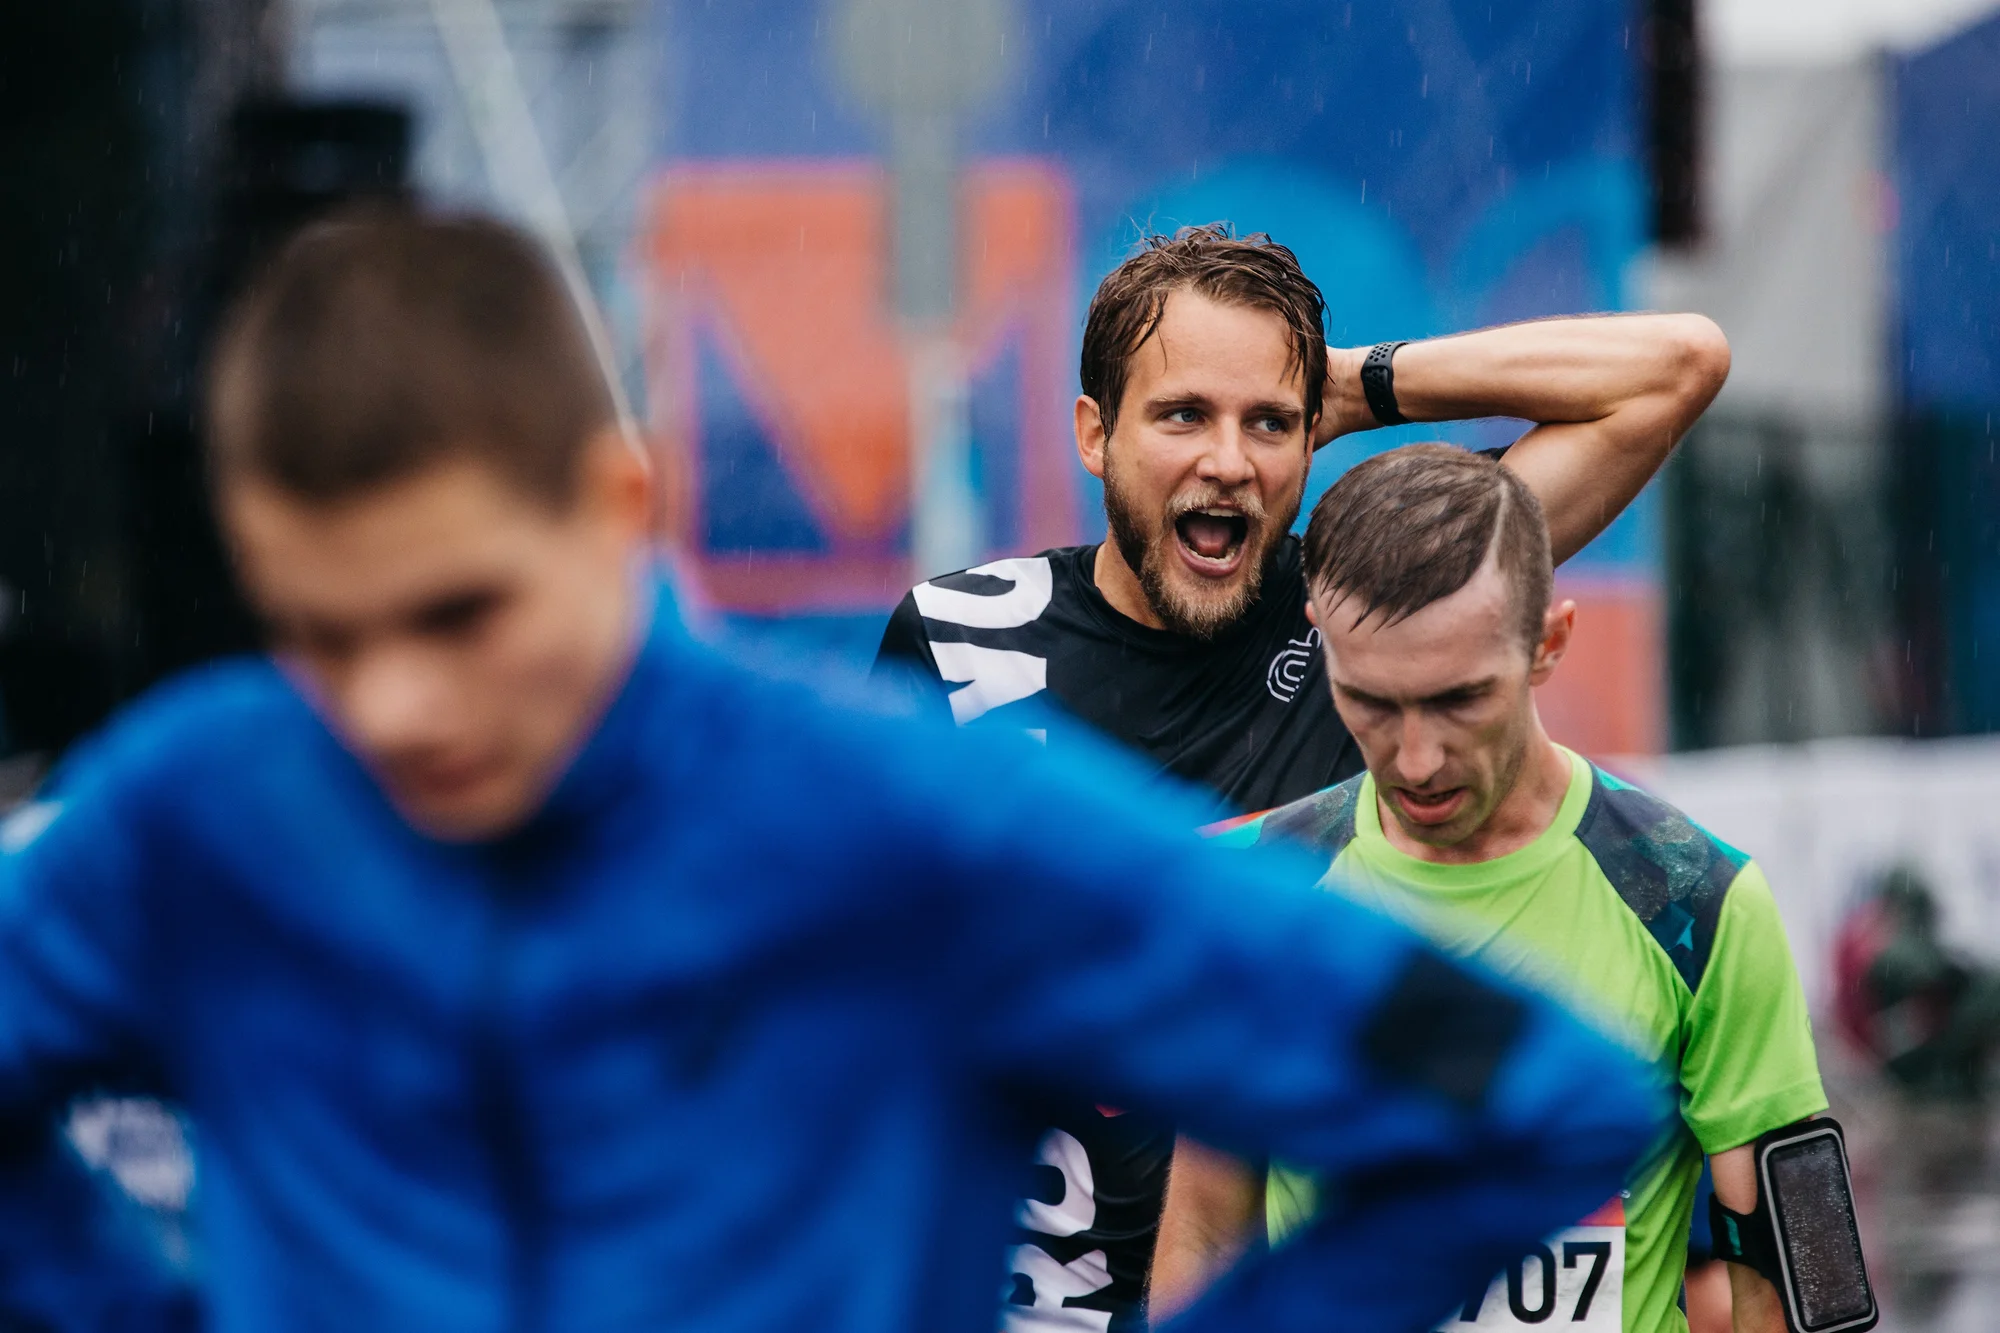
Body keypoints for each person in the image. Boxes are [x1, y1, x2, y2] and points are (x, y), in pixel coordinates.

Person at [0, 209, 1667, 1333]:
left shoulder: (905, 818)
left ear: (617, 504)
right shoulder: (203, 811)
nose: (396, 705)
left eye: (459, 610)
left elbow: (1541, 1098)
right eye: (321, 630)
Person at [873, 225, 1731, 1329]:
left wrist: (1354, 384)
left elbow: (1674, 369)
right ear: (1094, 433)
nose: (1227, 461)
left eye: (1267, 424)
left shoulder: (1365, 616)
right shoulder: (960, 641)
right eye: (1182, 413)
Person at [1198, 445, 1832, 1333]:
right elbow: (1203, 1232)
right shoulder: (1257, 887)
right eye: (1371, 701)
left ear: (1549, 643)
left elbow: (1793, 1287)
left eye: (1460, 699)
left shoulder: (1696, 901)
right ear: (1320, 638)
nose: (1415, 758)